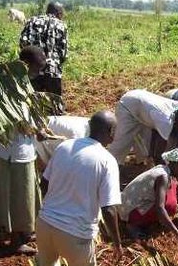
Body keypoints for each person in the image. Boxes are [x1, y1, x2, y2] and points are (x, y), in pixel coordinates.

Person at [36, 111, 122, 266]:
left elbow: (44, 184)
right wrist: (117, 242)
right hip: (75, 235)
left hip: (44, 226)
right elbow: (108, 208)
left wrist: (53, 209)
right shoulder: (107, 161)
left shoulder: (64, 146)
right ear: (111, 132)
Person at [0, 114, 39, 254]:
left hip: (18, 151)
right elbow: (23, 125)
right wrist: (37, 131)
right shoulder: (6, 96)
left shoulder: (21, 94)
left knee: (27, 195)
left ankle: (26, 233)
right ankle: (16, 241)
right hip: (13, 154)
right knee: (17, 198)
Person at [118, 148, 178, 245]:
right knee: (169, 207)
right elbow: (159, 208)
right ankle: (133, 225)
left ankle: (149, 220)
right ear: (173, 164)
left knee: (175, 190)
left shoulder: (164, 169)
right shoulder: (163, 177)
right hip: (129, 211)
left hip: (132, 203)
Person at [109, 89, 178, 166]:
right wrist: (166, 169)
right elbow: (158, 154)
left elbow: (156, 134)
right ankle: (109, 166)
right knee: (121, 142)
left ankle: (141, 162)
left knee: (145, 141)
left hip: (141, 105)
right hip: (128, 106)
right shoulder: (166, 122)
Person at [19, 2, 68, 95]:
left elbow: (23, 43)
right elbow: (63, 53)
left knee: (32, 104)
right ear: (58, 13)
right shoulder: (61, 25)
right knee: (53, 106)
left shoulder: (32, 21)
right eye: (62, 14)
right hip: (53, 72)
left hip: (33, 71)